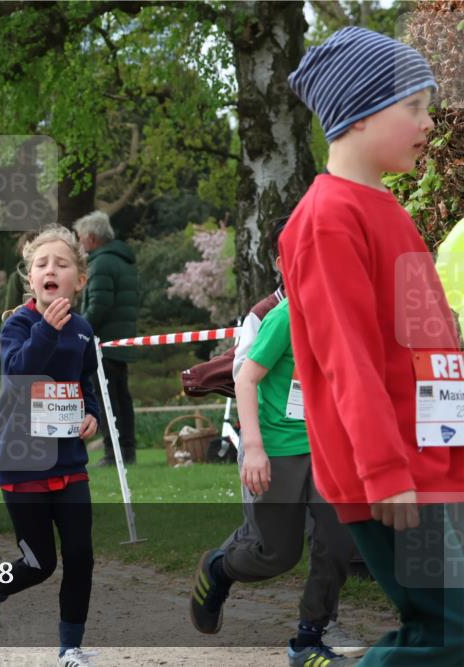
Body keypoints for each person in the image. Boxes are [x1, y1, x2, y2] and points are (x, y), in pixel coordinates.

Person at [283, 27, 463, 664]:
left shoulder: (386, 207)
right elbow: (346, 361)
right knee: (452, 635)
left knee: (441, 628)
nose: (428, 121)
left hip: (433, 463)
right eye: (412, 106)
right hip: (390, 478)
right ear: (357, 115)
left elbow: (428, 340)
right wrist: (384, 474)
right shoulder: (327, 220)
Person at [189, 254, 354, 666]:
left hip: (330, 449)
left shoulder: (353, 313)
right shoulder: (287, 314)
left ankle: (307, 640)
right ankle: (219, 569)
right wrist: (255, 448)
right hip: (280, 447)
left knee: (337, 543)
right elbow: (245, 378)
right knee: (276, 554)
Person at [0, 224, 100, 667]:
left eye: (61, 264)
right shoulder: (18, 325)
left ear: (79, 280)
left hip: (69, 460)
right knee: (41, 562)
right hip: (22, 462)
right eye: (42, 264)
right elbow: (18, 376)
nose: (51, 269)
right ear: (30, 279)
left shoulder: (83, 331)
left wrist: (92, 415)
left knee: (80, 554)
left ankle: (71, 648)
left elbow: (88, 384)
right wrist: (45, 328)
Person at [73, 211, 138, 465]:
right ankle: (127, 450)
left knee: (107, 399)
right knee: (122, 397)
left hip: (104, 343)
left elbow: (99, 304)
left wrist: (79, 329)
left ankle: (114, 452)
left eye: (79, 238)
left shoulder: (100, 263)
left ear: (90, 238)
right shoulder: (123, 260)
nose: (78, 243)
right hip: (121, 340)